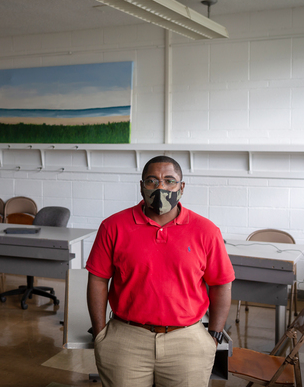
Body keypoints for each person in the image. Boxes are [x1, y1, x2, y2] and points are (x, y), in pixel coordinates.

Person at [86, 155, 235, 387]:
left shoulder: (206, 231)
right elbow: (97, 279)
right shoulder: (113, 226)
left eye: (169, 181)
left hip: (187, 341)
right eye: (152, 181)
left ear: (182, 187)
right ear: (141, 186)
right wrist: (100, 333)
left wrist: (213, 335)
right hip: (125, 339)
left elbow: (221, 283)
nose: (160, 188)